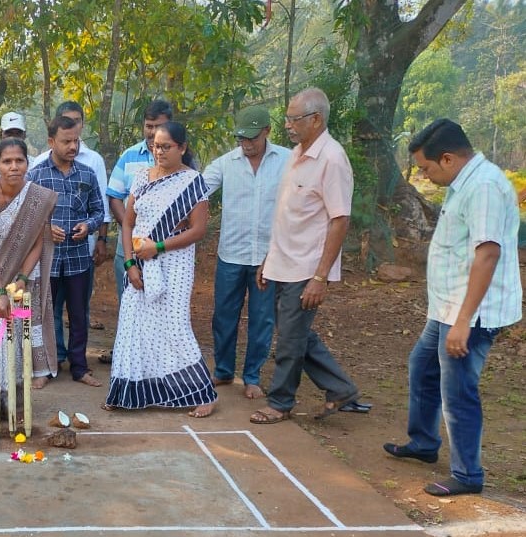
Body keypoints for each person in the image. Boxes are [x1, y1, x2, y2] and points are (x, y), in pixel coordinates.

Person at [384, 119, 522, 497]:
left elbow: (488, 253)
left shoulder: (485, 187)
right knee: (422, 366)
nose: (424, 175)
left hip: (470, 313)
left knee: (457, 390)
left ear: (447, 159)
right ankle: (425, 443)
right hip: (447, 308)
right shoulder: (465, 182)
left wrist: (463, 321)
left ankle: (467, 474)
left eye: (426, 168)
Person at [250, 88, 360, 425]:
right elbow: (288, 214)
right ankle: (340, 387)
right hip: (283, 260)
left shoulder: (332, 159)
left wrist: (320, 276)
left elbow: (339, 219)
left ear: (316, 119)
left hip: (306, 266)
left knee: (290, 338)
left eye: (294, 119)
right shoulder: (297, 153)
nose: (287, 125)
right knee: (294, 331)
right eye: (287, 118)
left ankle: (281, 402)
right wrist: (269, 258)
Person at [103, 122, 217, 417]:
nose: (159, 151)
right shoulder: (141, 177)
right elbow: (128, 223)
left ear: (182, 148)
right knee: (134, 324)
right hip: (139, 261)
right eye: (155, 145)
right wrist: (129, 264)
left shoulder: (192, 182)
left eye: (166, 146)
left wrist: (160, 247)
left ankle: (200, 391)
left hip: (174, 264)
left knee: (174, 326)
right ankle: (129, 392)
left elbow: (198, 230)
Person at [0, 138, 58, 424]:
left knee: (15, 332)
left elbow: (36, 244)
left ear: (27, 164)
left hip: (20, 267)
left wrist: (20, 279)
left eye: (19, 161)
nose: (14, 167)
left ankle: (11, 400)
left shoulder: (38, 197)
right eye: (7, 161)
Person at [201, 105, 288, 400]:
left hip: (268, 255)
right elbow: (197, 190)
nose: (246, 144)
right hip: (231, 253)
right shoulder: (225, 163)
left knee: (262, 319)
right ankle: (224, 370)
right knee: (224, 315)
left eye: (252, 137)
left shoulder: (287, 161)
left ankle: (252, 376)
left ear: (267, 132)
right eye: (241, 138)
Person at [26, 115, 105, 387]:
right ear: (51, 141)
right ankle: (46, 368)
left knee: (79, 314)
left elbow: (98, 210)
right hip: (47, 260)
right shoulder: (36, 175)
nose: (73, 146)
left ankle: (80, 368)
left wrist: (90, 225)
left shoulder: (87, 174)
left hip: (78, 259)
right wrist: (44, 230)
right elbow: (26, 215)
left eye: (76, 141)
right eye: (66, 141)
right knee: (45, 313)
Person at [107, 99, 172, 305]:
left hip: (167, 250)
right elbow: (115, 196)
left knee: (164, 310)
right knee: (130, 306)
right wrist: (132, 230)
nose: (152, 132)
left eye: (158, 126)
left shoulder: (181, 158)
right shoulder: (129, 156)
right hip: (128, 248)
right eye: (148, 126)